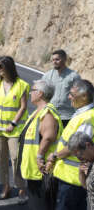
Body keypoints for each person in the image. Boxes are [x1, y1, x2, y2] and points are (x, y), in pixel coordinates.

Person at [46, 79, 94, 210]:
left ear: (84, 96)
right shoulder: (82, 113)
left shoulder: (88, 118)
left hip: (73, 180)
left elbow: (77, 146)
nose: (69, 96)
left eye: (72, 94)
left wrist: (54, 156)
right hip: (69, 178)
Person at [19, 79, 63, 210]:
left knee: (41, 205)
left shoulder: (47, 113)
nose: (30, 93)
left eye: (32, 90)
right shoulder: (38, 111)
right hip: (34, 169)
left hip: (42, 170)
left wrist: (39, 156)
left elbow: (49, 136)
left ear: (40, 93)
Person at [0, 56, 28, 202]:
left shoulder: (22, 85)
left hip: (14, 129)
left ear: (9, 67)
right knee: (2, 159)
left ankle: (21, 188)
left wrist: (13, 124)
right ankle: (5, 186)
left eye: (0, 66)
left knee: (15, 158)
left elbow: (23, 106)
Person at [42, 49, 80, 128]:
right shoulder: (47, 76)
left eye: (57, 59)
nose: (54, 62)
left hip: (67, 116)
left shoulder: (74, 76)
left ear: (64, 60)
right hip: (49, 114)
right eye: (53, 60)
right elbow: (41, 95)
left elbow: (79, 96)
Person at [68, 132, 94, 210]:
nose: (80, 159)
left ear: (88, 145)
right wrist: (81, 173)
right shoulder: (90, 162)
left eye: (80, 155)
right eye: (77, 157)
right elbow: (88, 187)